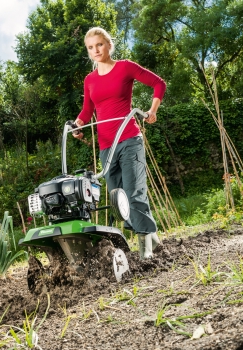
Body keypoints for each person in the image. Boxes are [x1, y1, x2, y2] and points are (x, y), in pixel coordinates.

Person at [73, 27, 165, 259]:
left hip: (129, 139)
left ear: (109, 45)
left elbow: (158, 84)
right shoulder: (90, 79)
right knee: (118, 199)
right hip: (106, 146)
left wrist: (152, 111)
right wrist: (78, 125)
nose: (96, 50)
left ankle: (146, 254)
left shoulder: (125, 67)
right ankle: (154, 242)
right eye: (91, 47)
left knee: (134, 194)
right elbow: (87, 110)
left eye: (100, 45)